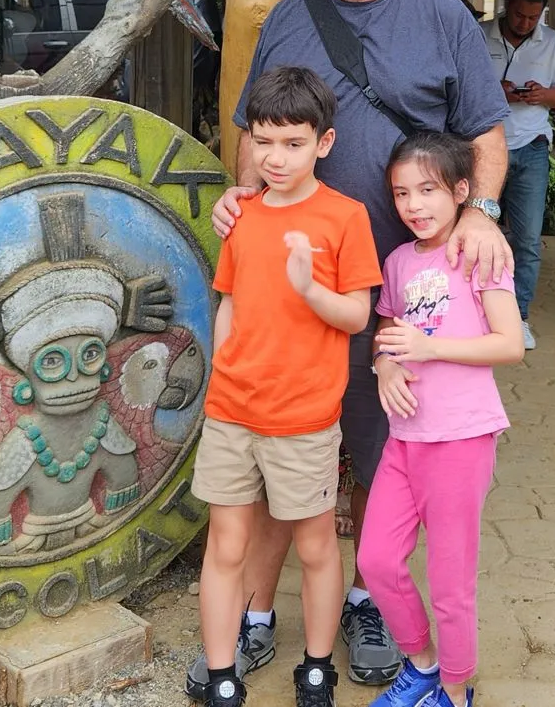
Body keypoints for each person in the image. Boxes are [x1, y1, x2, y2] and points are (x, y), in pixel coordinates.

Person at [194, 0, 511, 697]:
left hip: (402, 284)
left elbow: (484, 134)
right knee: (275, 438)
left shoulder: (444, 14)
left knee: (381, 443)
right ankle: (256, 609)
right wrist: (243, 198)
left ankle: (372, 596)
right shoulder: (291, 18)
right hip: (290, 287)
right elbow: (252, 132)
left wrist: (478, 211)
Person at [196, 67, 382, 707]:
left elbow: (358, 315)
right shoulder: (241, 214)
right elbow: (228, 301)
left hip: (304, 415)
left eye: (293, 143)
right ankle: (222, 673)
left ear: (323, 144)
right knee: (225, 543)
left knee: (316, 544)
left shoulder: (345, 216)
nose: (276, 158)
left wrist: (308, 288)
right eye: (265, 142)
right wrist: (224, 366)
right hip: (231, 410)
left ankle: (318, 665)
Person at [359, 132, 525, 707]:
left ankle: (455, 692)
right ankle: (423, 663)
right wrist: (384, 363)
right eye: (402, 193)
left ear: (460, 191)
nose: (414, 205)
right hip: (404, 438)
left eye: (428, 190)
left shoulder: (479, 252)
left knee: (451, 584)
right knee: (376, 558)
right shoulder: (399, 261)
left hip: (461, 436)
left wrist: (431, 350)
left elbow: (510, 346)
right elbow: (388, 334)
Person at [485, 0, 555, 347]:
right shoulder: (478, 34)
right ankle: (476, 312)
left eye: (533, 18)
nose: (525, 23)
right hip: (486, 147)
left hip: (532, 147)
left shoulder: (552, 42)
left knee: (527, 240)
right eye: (520, 15)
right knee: (478, 232)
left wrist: (543, 95)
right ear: (508, 5)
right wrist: (496, 91)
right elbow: (457, 85)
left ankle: (518, 317)